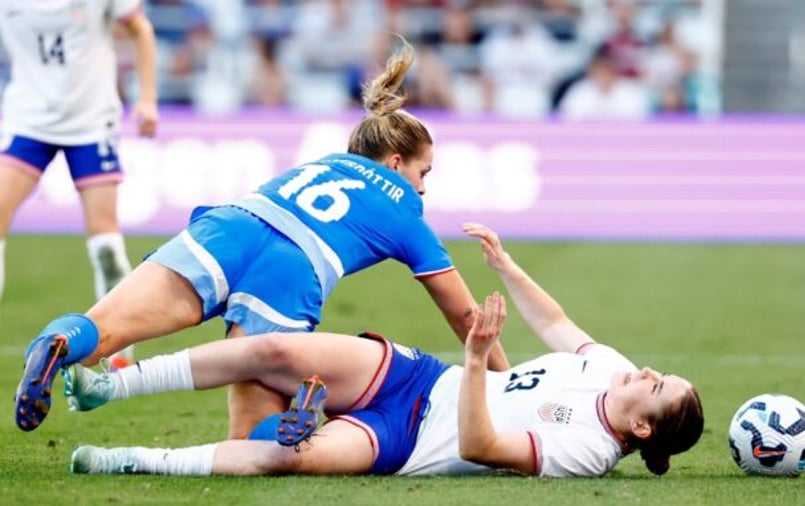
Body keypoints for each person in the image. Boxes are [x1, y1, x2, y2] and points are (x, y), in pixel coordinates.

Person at [14, 36, 509, 438]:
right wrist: (505, 383)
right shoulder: (406, 210)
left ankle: (56, 341)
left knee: (103, 329)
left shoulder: (319, 163)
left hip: (231, 227)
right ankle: (295, 417)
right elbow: (463, 313)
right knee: (250, 437)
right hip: (292, 271)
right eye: (424, 171)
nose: (423, 186)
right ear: (397, 163)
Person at [66, 224, 704, 478]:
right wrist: (506, 266)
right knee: (276, 351)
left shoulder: (587, 451)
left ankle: (127, 460)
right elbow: (559, 323)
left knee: (289, 459)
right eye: (659, 372)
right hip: (419, 378)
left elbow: (480, 446)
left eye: (655, 386)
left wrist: (479, 359)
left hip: (406, 442)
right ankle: (110, 386)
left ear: (642, 426)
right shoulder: (612, 367)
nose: (645, 371)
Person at [0, 1, 158, 306]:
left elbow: (140, 29)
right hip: (29, 120)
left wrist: (147, 98)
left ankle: (120, 353)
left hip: (91, 123)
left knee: (106, 246)